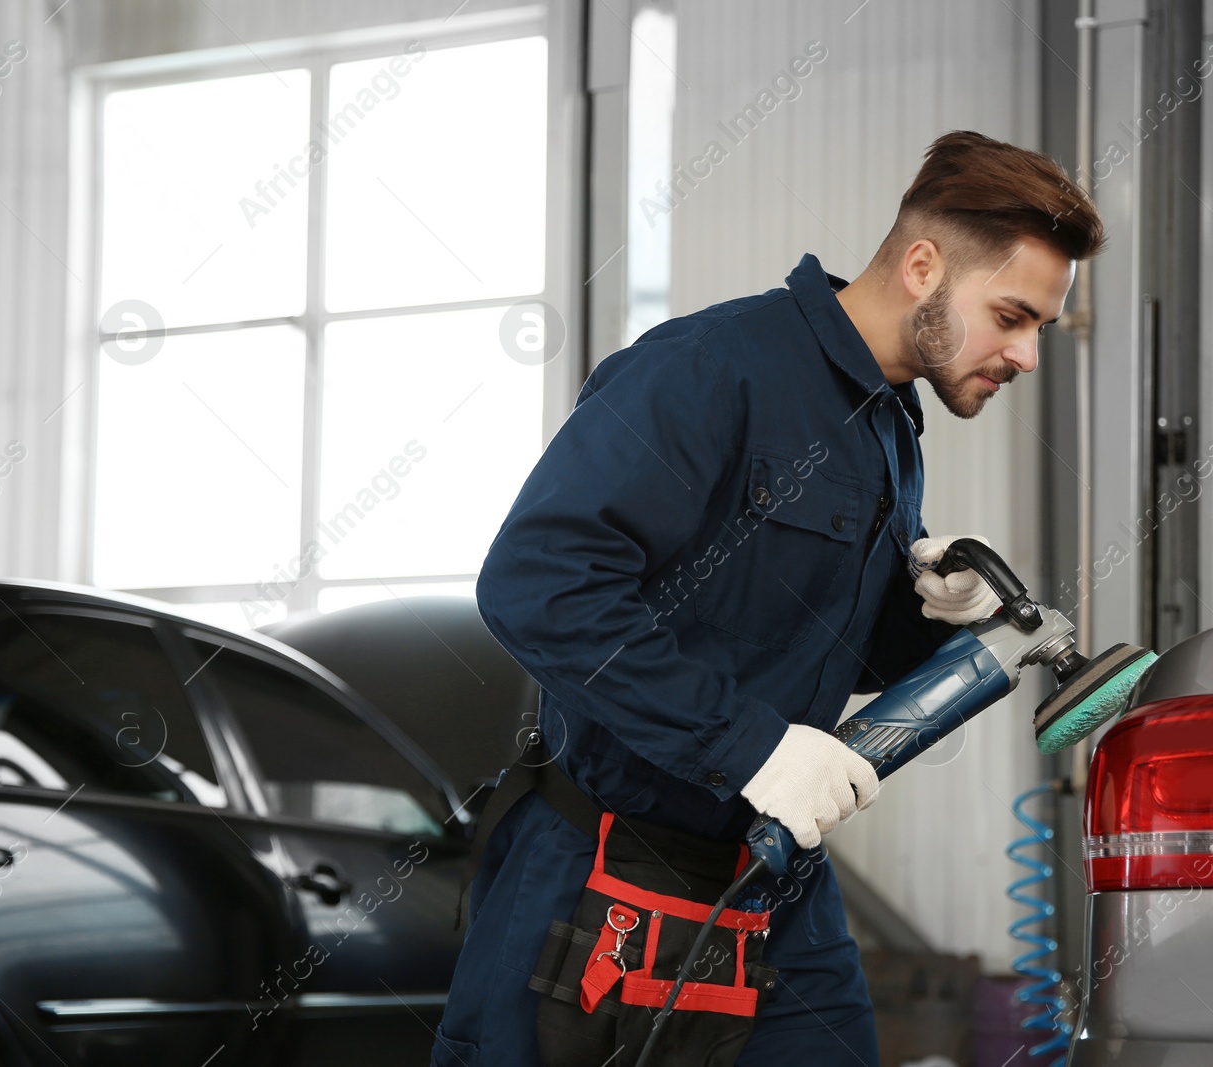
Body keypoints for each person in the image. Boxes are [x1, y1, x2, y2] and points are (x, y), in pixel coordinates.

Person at [431, 130, 1103, 1067]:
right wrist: (746, 745)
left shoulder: (891, 424)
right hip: (602, 869)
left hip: (777, 882)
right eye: (1013, 315)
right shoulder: (709, 369)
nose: (1028, 355)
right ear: (922, 266)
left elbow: (823, 650)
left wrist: (923, 617)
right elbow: (536, 583)